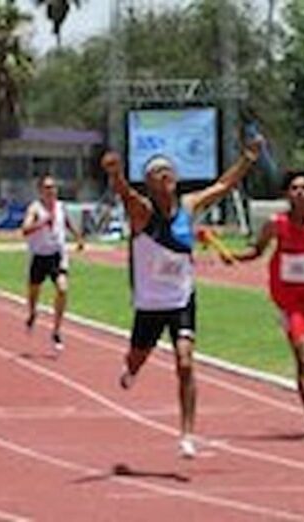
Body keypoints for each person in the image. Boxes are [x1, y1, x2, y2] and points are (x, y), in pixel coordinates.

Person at [101, 138, 261, 459]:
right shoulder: (143, 212)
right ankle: (131, 370)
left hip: (181, 299)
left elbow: (223, 185)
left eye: (169, 171)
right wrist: (115, 174)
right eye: (158, 173)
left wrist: (247, 159)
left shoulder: (188, 207)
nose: (166, 176)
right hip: (149, 304)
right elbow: (125, 194)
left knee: (185, 362)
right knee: (136, 358)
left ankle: (187, 434)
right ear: (149, 182)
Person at [224, 170, 304, 443]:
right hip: (291, 303)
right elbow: (257, 251)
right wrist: (234, 257)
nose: (300, 192)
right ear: (286, 194)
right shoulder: (275, 224)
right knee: (303, 361)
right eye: (294, 188)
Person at [21, 174, 84, 355]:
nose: (51, 191)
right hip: (39, 256)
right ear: (40, 191)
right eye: (47, 188)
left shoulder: (60, 206)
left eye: (53, 187)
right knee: (34, 292)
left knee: (63, 289)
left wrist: (78, 238)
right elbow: (25, 230)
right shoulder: (35, 209)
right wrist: (41, 223)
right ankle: (32, 313)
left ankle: (56, 331)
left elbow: (67, 223)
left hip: (57, 255)